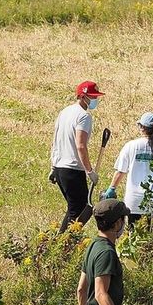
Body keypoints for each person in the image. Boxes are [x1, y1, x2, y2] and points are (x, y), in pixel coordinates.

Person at [50, 81, 104, 231]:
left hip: (61, 167)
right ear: (83, 96)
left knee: (74, 208)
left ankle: (64, 241)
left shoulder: (64, 112)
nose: (95, 100)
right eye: (93, 96)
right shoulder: (83, 116)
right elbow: (80, 145)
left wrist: (53, 166)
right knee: (79, 209)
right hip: (73, 169)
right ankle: (64, 242)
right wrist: (89, 171)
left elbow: (54, 140)